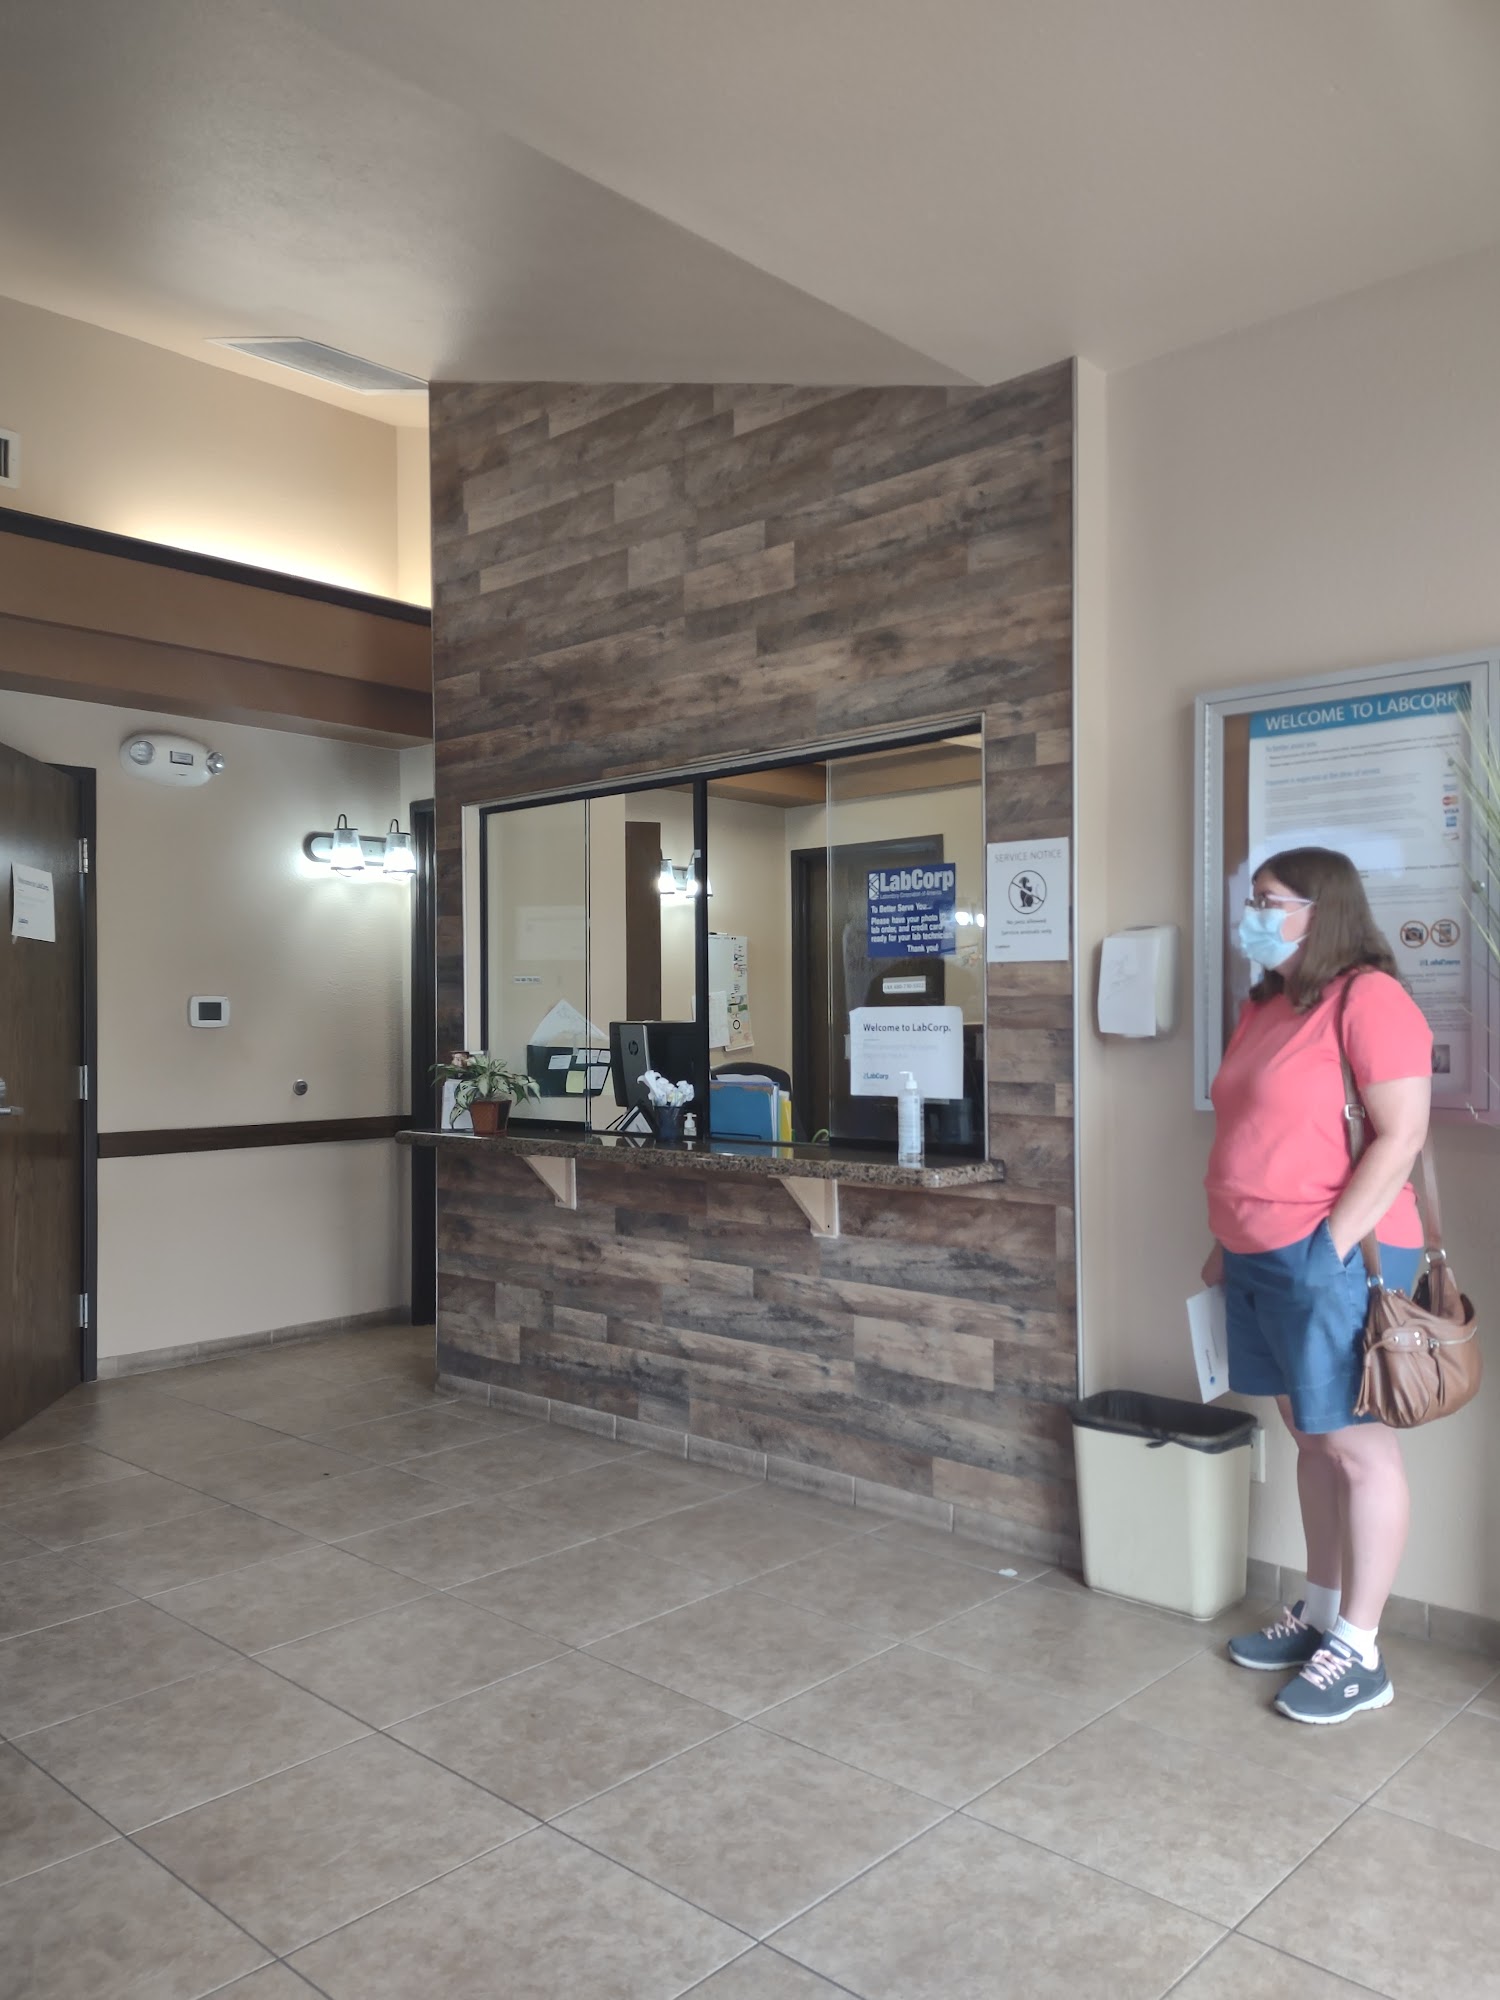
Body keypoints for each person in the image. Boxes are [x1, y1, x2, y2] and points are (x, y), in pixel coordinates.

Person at [1203, 847, 1432, 1724]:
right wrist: (1224, 1244)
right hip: (1257, 1256)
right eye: (1253, 900)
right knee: (1310, 1438)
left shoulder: (1370, 999)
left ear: (1321, 909)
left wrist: (1327, 1248)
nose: (1253, 915)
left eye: (1270, 901)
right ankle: (1324, 1610)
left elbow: (1400, 1135)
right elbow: (1253, 1138)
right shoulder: (1264, 1005)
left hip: (1338, 1256)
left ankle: (1361, 1651)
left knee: (1358, 1449)